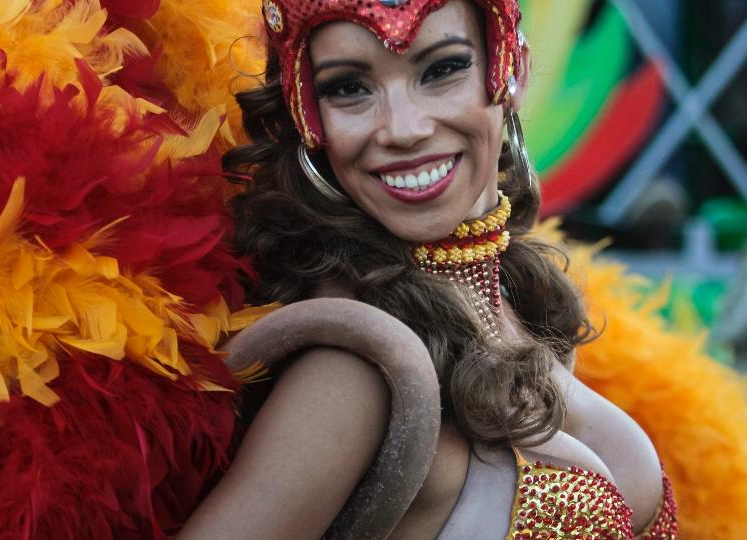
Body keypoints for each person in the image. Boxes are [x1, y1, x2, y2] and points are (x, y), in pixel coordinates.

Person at [181, 0, 678, 538]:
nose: (403, 129)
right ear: (306, 115)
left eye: (441, 69)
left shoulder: (518, 299)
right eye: (347, 87)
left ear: (512, 69)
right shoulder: (357, 364)